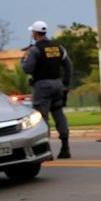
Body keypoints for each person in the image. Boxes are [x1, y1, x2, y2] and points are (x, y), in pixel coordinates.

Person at [21, 20, 72, 159]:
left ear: (35, 33)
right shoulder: (58, 47)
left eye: (32, 31)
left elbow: (27, 69)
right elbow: (68, 66)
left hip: (42, 86)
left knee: (42, 118)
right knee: (59, 114)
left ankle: (47, 151)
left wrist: (23, 58)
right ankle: (65, 148)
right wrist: (66, 84)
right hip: (58, 84)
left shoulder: (35, 49)